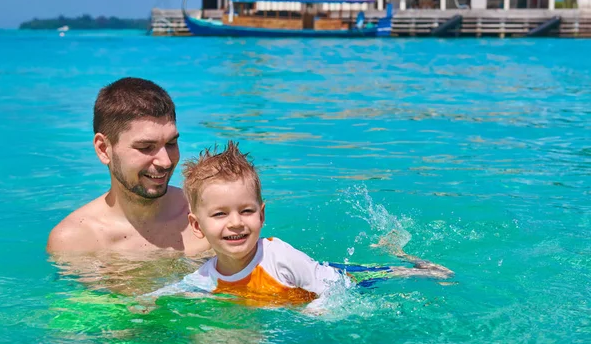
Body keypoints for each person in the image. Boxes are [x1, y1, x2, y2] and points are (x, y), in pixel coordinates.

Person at [147, 142, 453, 308]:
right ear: (196, 226)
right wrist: (147, 302)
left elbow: (332, 294)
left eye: (246, 210)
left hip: (337, 280)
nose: (236, 223)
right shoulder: (206, 275)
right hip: (299, 289)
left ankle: (414, 263)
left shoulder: (279, 257)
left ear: (262, 215)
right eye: (220, 214)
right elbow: (182, 288)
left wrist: (316, 312)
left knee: (381, 276)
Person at [46, 77, 210, 256]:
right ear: (103, 149)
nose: (166, 162)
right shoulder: (76, 241)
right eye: (145, 147)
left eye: (171, 143)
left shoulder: (208, 216)